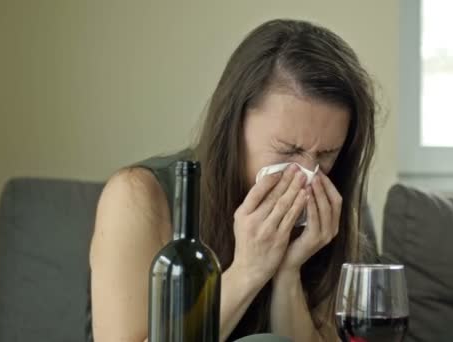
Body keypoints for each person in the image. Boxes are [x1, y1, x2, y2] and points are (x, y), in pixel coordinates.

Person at [88, 18, 379, 342]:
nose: (306, 176)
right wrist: (249, 269)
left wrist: (287, 272)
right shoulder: (136, 197)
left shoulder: (329, 211)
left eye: (326, 154)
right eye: (288, 150)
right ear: (233, 126)